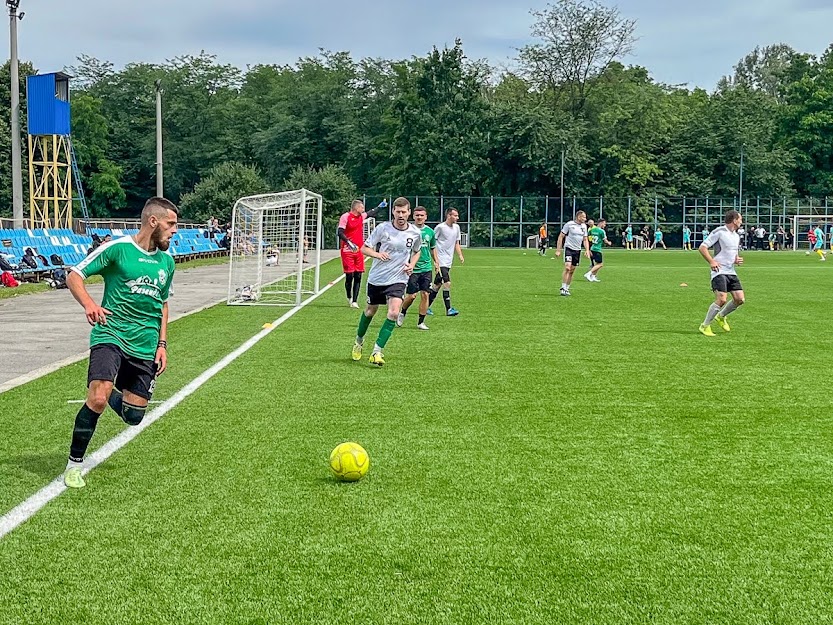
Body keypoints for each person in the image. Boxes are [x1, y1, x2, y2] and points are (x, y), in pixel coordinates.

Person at [63, 197, 178, 489]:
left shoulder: (167, 262)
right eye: (171, 224)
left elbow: (162, 305)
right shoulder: (118, 249)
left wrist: (162, 344)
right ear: (153, 221)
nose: (174, 230)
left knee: (133, 416)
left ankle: (106, 390)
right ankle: (74, 464)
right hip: (110, 333)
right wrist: (89, 303)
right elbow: (74, 275)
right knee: (98, 399)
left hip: (146, 343)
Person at [351, 197, 421, 366]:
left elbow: (417, 251)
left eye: (404, 212)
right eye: (398, 212)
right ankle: (359, 341)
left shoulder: (415, 233)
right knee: (370, 312)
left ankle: (377, 351)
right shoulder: (383, 228)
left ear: (409, 212)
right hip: (377, 278)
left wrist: (411, 265)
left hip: (398, 279)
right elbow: (364, 248)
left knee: (394, 313)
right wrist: (377, 255)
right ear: (393, 212)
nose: (401, 215)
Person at [698, 210, 744, 337]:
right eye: (740, 219)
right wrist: (712, 261)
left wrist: (736, 259)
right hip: (719, 271)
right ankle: (705, 325)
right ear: (734, 220)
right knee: (722, 299)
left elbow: (732, 254)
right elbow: (702, 247)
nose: (741, 221)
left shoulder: (736, 236)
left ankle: (721, 316)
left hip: (731, 271)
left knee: (740, 299)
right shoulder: (720, 232)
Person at [397, 206, 439, 330]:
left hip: (426, 268)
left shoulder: (430, 232)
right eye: (417, 215)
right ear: (413, 216)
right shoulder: (408, 231)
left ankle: (421, 322)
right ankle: (402, 312)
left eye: (422, 215)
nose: (419, 217)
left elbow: (433, 248)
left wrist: (436, 262)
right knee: (411, 296)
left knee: (425, 294)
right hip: (412, 268)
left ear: (426, 217)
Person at [337, 199, 384, 308]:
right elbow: (340, 232)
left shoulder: (361, 217)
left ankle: (354, 300)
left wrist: (380, 206)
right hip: (347, 249)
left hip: (359, 249)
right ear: (356, 208)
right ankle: (349, 295)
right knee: (350, 275)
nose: (363, 210)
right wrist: (348, 242)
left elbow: (371, 212)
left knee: (358, 275)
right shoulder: (346, 217)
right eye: (361, 207)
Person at [427, 207, 465, 316]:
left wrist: (460, 255)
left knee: (437, 285)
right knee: (447, 283)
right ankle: (449, 309)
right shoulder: (440, 228)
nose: (457, 218)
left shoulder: (456, 228)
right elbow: (432, 241)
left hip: (448, 260)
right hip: (441, 260)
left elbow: (456, 243)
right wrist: (435, 260)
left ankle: (426, 307)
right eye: (455, 215)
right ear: (449, 216)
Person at [555, 211, 590, 296]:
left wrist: (587, 250)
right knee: (567, 267)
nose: (585, 219)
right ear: (578, 217)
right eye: (584, 217)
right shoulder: (569, 224)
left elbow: (585, 239)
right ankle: (563, 287)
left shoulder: (584, 227)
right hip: (569, 249)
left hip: (577, 250)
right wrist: (558, 250)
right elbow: (561, 236)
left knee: (572, 270)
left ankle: (567, 287)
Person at [584, 218, 611, 282]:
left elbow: (587, 237)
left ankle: (593, 277)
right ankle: (589, 273)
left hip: (592, 248)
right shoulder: (602, 231)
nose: (604, 225)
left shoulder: (592, 230)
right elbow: (605, 240)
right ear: (601, 223)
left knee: (597, 264)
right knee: (600, 264)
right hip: (597, 249)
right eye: (604, 224)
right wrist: (609, 242)